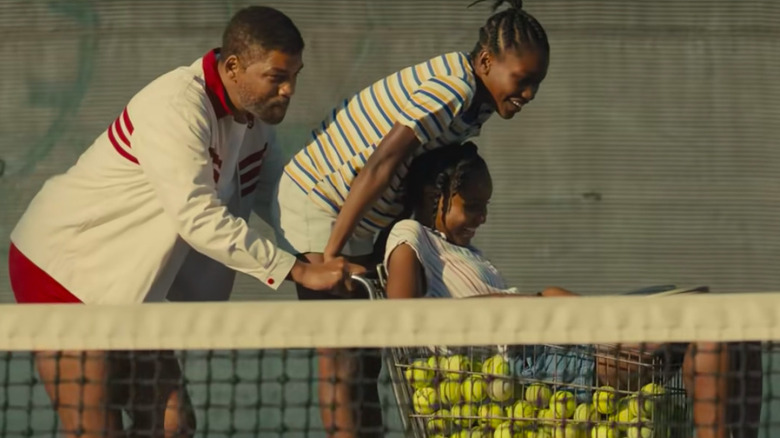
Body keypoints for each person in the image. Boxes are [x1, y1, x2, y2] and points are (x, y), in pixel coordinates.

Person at [7, 6, 363, 437]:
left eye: (295, 76)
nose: (289, 89)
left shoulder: (256, 124)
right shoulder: (176, 105)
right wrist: (302, 272)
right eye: (276, 77)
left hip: (131, 291)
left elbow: (282, 200)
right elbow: (198, 216)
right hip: (64, 270)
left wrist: (326, 257)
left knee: (174, 425)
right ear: (233, 67)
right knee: (96, 431)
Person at [271, 1, 549, 435]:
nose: (529, 93)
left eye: (537, 84)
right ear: (487, 61)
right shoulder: (451, 89)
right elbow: (382, 164)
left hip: (359, 222)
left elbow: (413, 175)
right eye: (523, 79)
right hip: (319, 201)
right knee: (340, 351)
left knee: (367, 355)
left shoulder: (476, 107)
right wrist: (329, 255)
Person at [380, 143, 763, 438]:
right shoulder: (410, 235)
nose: (483, 217)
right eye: (474, 206)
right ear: (436, 199)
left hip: (552, 343)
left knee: (731, 334)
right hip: (530, 364)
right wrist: (519, 307)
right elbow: (405, 320)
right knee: (705, 333)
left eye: (486, 206)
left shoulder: (469, 253)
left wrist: (549, 307)